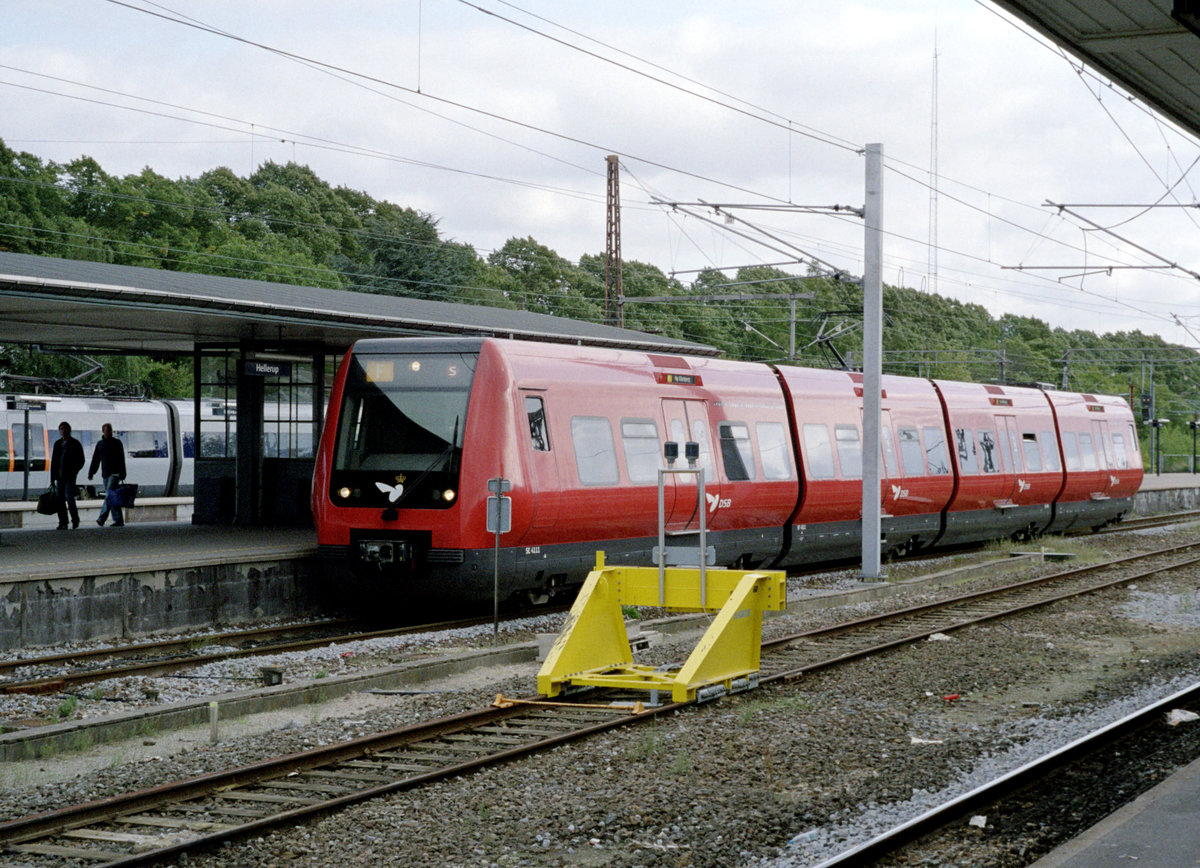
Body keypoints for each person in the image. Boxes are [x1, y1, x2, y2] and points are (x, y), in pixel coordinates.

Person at [88, 422, 127, 527]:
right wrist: (91, 472)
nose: (109, 432)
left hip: (115, 473)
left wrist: (123, 473)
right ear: (103, 431)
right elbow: (96, 460)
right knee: (113, 496)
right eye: (107, 430)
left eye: (110, 430)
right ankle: (118, 520)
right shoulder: (100, 444)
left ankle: (101, 518)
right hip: (105, 474)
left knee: (109, 495)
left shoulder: (117, 443)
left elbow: (121, 458)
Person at [50, 421, 85, 530]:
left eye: (65, 428)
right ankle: (63, 522)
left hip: (70, 476)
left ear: (69, 430)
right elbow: (54, 462)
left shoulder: (75, 443)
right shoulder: (57, 444)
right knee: (60, 500)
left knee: (70, 499)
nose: (63, 431)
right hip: (59, 476)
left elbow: (81, 460)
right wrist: (52, 478)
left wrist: (74, 471)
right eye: (61, 429)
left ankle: (75, 520)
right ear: (59, 431)